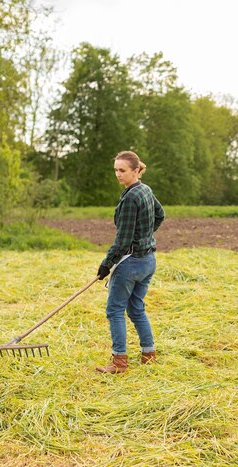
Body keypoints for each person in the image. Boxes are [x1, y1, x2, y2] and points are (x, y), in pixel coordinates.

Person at [95, 151, 165, 374]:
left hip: (131, 263)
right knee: (136, 308)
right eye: (115, 170)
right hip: (148, 261)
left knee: (114, 310)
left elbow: (123, 240)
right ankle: (149, 354)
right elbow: (160, 215)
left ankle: (119, 362)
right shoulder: (145, 190)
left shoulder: (131, 198)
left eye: (122, 170)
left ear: (136, 170)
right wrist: (145, 236)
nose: (118, 174)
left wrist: (107, 264)